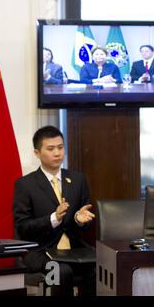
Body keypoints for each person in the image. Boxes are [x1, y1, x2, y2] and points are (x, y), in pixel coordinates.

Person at [13, 126, 96, 296]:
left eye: (60, 147)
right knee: (60, 272)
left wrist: (80, 220)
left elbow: (85, 223)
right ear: (37, 153)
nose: (57, 153)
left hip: (74, 250)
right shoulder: (25, 185)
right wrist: (53, 218)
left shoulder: (78, 179)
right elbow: (22, 227)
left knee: (99, 269)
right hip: (41, 251)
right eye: (51, 149)